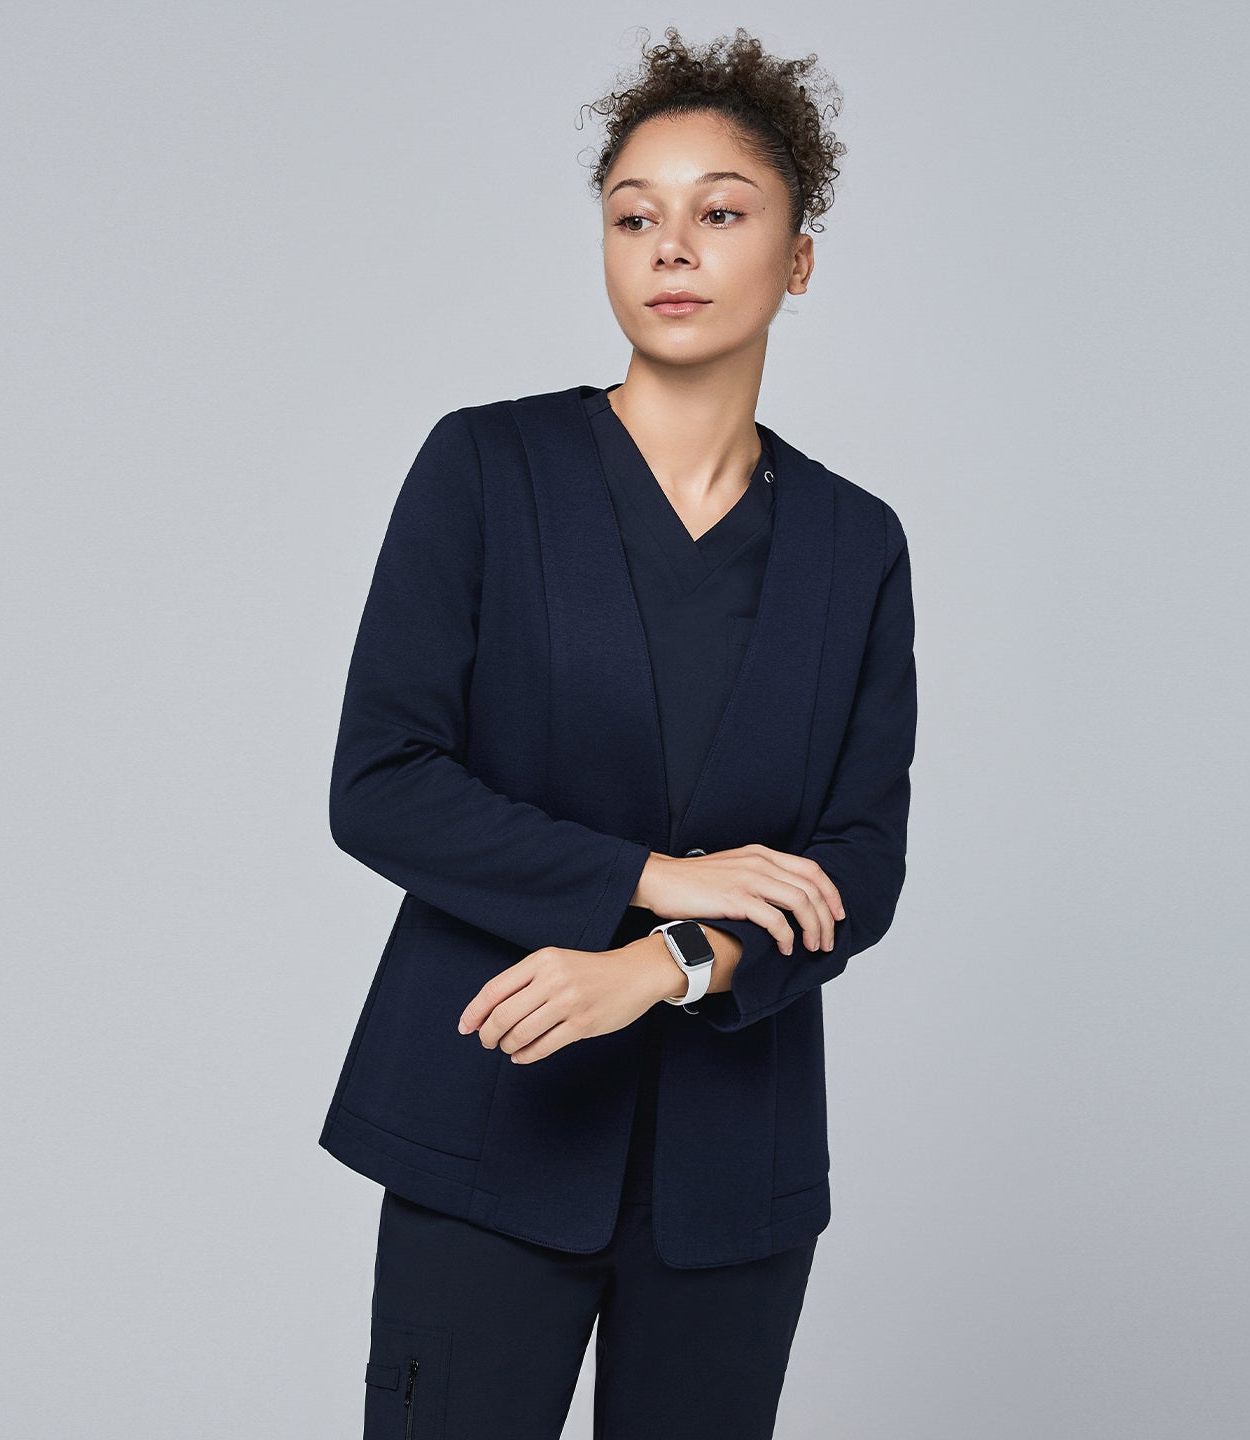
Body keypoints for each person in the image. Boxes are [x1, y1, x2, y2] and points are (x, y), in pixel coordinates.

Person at [321, 25, 918, 1439]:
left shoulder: (855, 546)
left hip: (735, 1174)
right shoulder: (486, 467)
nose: (673, 247)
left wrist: (669, 964)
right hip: (489, 1120)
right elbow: (382, 786)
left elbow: (860, 862)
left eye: (721, 212)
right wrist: (656, 880)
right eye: (635, 215)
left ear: (799, 258)